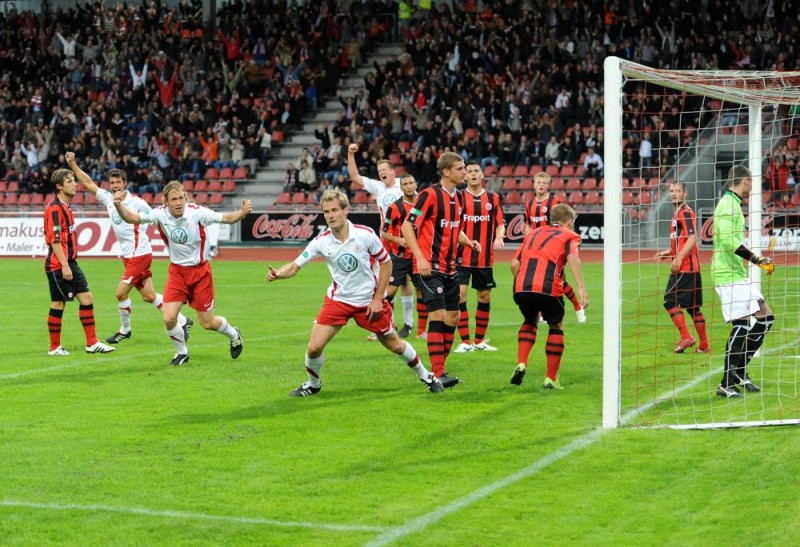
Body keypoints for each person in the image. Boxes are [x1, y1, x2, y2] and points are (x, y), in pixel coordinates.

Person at [266, 189, 443, 396]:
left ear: (345, 210)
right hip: (338, 301)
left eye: (334, 210)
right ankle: (313, 385)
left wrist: (378, 299)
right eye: (326, 212)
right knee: (314, 348)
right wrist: (279, 273)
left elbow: (386, 264)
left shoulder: (364, 234)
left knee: (395, 345)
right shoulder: (321, 241)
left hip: (369, 301)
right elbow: (295, 266)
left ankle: (426, 375)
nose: (330, 215)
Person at [112, 180, 250, 366]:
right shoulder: (159, 214)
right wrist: (118, 205)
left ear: (185, 198)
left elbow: (226, 218)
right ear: (166, 202)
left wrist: (242, 212)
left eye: (180, 198)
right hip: (177, 272)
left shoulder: (197, 213)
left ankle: (234, 334)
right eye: (173, 199)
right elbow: (132, 218)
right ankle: (182, 353)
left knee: (207, 323)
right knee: (169, 318)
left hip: (200, 273)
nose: (178, 203)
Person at [65, 152, 193, 345]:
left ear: (125, 183)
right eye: (112, 183)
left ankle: (125, 330)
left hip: (140, 254)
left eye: (118, 182)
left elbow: (158, 218)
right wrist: (73, 164)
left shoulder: (137, 202)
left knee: (120, 293)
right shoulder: (108, 198)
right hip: (128, 255)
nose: (115, 186)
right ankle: (183, 320)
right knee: (149, 295)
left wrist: (177, 234)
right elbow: (89, 183)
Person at [402, 152, 481, 388]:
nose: (464, 172)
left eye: (464, 168)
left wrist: (467, 241)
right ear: (446, 172)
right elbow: (408, 226)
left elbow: (454, 229)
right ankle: (436, 373)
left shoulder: (459, 198)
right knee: (437, 315)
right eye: (460, 169)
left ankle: (440, 368)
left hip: (450, 267)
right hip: (428, 268)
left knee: (453, 317)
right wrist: (419, 258)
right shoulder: (429, 195)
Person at [712, 165, 775, 398]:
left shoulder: (734, 203)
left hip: (736, 274)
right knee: (740, 324)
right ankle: (726, 383)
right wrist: (757, 259)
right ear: (746, 181)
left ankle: (738, 372)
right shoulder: (727, 205)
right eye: (752, 182)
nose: (753, 186)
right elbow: (729, 243)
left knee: (765, 318)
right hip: (727, 275)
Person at [509, 203, 589, 389]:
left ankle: (522, 363)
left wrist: (521, 281)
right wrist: (581, 288)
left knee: (530, 320)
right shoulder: (570, 235)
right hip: (547, 287)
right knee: (556, 325)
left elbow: (514, 263)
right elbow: (573, 258)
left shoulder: (532, 233)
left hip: (521, 286)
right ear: (569, 221)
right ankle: (551, 378)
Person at [44, 168, 116, 356]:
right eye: (69, 181)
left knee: (87, 298)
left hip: (71, 262)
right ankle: (54, 347)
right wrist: (65, 265)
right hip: (59, 265)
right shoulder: (54, 209)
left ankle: (92, 343)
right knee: (58, 303)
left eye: (74, 181)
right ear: (59, 186)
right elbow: (55, 240)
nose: (74, 184)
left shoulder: (66, 207)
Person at [347, 143, 416, 339]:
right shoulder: (377, 186)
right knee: (384, 282)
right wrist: (350, 154)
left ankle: (410, 323)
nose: (382, 173)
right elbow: (354, 176)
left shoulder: (404, 185)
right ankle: (388, 325)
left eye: (385, 170)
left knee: (405, 282)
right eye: (379, 171)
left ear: (393, 172)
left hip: (405, 237)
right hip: (386, 239)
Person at [454, 162, 506, 353]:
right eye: (469, 171)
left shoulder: (493, 198)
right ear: (465, 176)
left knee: (484, 297)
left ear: (482, 175)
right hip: (460, 256)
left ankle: (479, 341)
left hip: (484, 258)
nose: (473, 174)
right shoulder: (458, 197)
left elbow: (500, 223)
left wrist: (499, 236)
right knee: (460, 295)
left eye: (476, 171)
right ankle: (465, 341)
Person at [655, 181, 710, 353]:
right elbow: (683, 240)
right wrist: (669, 251)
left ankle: (686, 337)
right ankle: (704, 346)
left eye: (678, 191)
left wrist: (678, 259)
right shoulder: (678, 214)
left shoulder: (685, 213)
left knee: (669, 301)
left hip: (685, 267)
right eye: (672, 191)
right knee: (693, 308)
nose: (674, 194)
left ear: (685, 194)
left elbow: (693, 238)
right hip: (690, 267)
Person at [524, 172, 586, 322]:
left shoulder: (555, 202)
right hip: (536, 249)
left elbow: (565, 222)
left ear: (549, 185)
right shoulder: (529, 204)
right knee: (539, 280)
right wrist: (528, 240)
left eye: (544, 183)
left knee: (557, 280)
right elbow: (528, 224)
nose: (541, 185)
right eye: (538, 182)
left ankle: (576, 307)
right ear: (533, 184)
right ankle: (554, 311)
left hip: (554, 249)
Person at [381, 174, 429, 340]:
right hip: (400, 257)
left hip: (419, 255)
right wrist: (399, 240)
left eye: (411, 182)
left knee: (422, 292)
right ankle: (386, 326)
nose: (409, 186)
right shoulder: (395, 207)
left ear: (416, 184)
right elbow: (384, 232)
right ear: (400, 188)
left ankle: (421, 331)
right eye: (405, 184)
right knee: (391, 292)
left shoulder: (424, 203)